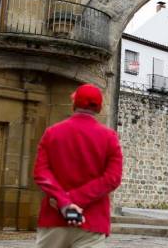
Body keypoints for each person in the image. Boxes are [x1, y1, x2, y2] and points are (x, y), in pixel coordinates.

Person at [34, 83, 123, 248]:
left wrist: (65, 202)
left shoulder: (52, 133)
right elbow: (112, 178)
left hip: (54, 219)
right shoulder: (110, 137)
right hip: (92, 221)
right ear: (99, 108)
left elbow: (41, 173)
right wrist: (75, 199)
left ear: (74, 103)